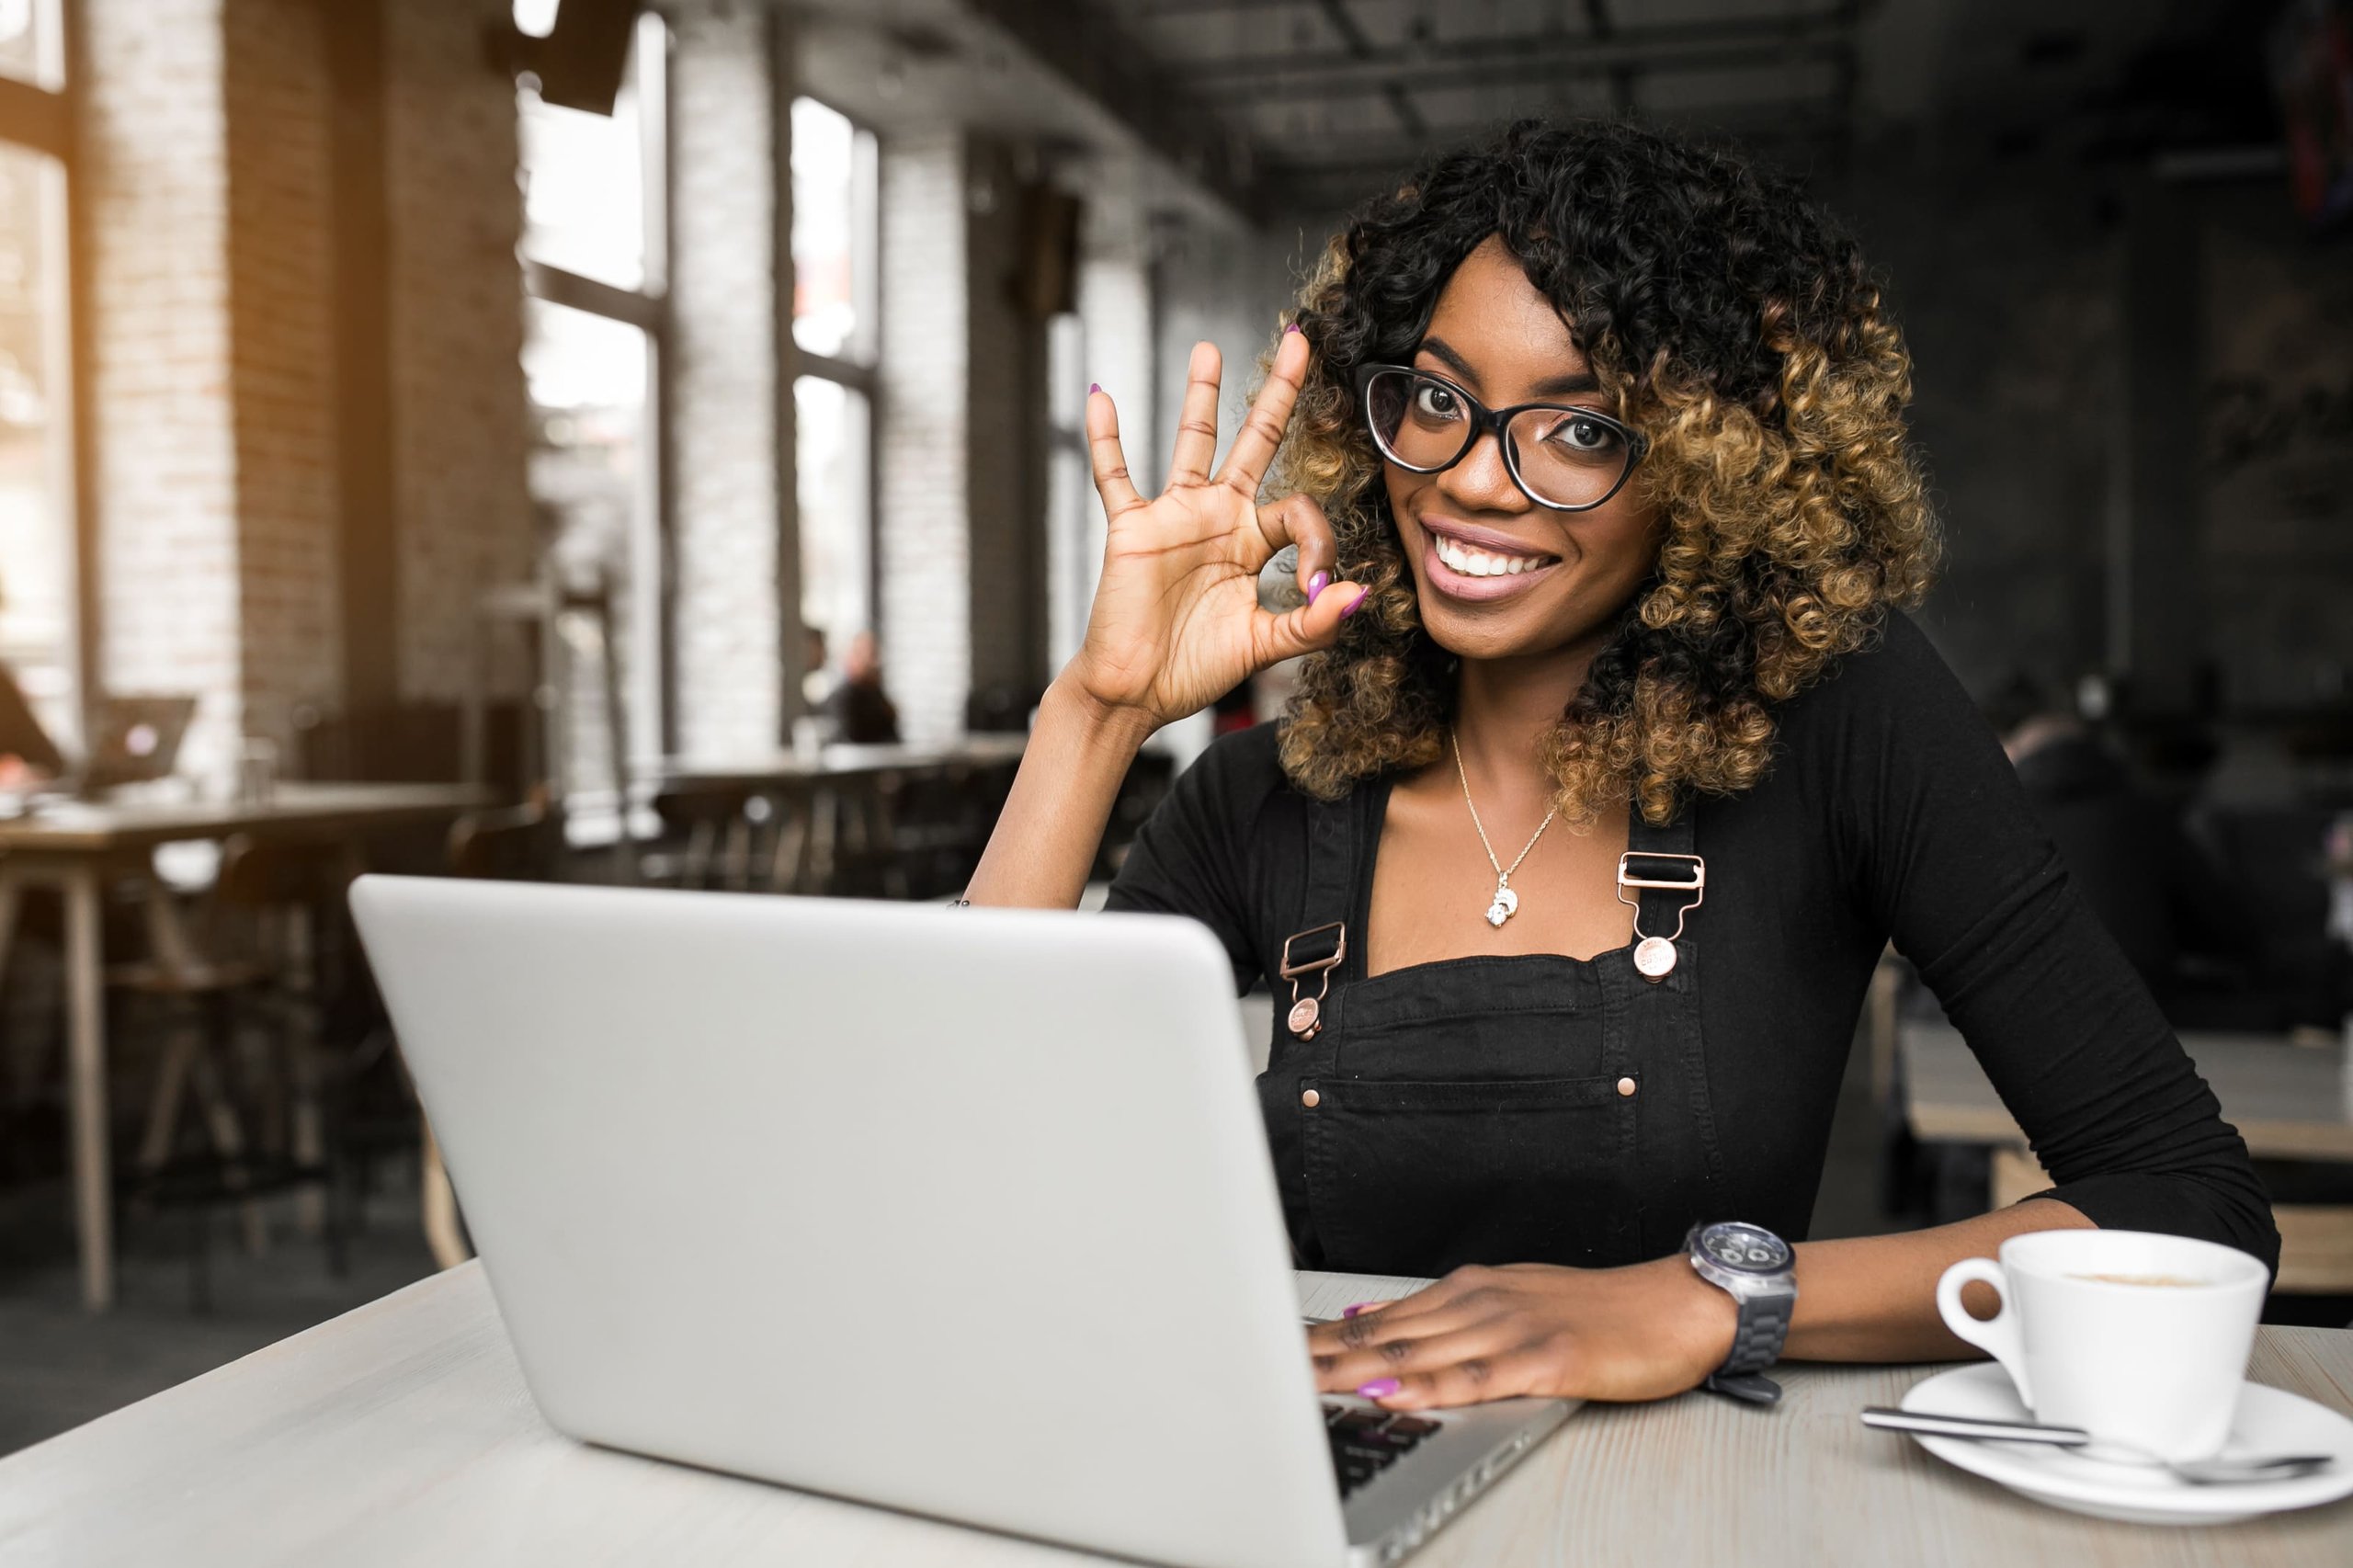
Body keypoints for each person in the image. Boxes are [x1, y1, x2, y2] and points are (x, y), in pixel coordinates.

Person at [964, 120, 2274, 1410]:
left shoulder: (1844, 728)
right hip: (1324, 1487)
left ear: (1712, 479)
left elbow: (2187, 1206)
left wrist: (1718, 1298)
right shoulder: (1260, 800)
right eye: (1436, 398)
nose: (1476, 479)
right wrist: (1097, 709)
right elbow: (960, 1167)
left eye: (1581, 430)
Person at [827, 630, 900, 744]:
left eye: (874, 654)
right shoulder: (843, 698)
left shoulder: (876, 692)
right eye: (868, 655)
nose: (873, 662)